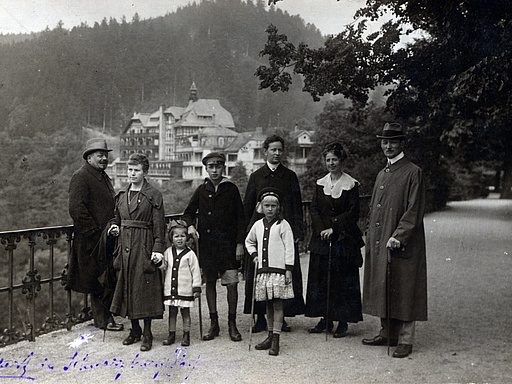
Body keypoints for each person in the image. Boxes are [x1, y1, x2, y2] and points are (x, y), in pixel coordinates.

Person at [362, 123, 427, 358]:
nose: (388, 146)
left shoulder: (412, 171)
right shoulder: (382, 173)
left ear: (401, 144)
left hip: (403, 241)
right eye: (384, 142)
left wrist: (398, 236)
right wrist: (370, 234)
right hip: (380, 239)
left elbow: (414, 209)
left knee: (406, 287)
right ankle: (387, 332)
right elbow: (374, 208)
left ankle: (406, 340)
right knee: (383, 284)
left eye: (392, 142)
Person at [243, 134, 305, 333]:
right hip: (262, 234)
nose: (277, 153)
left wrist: (298, 232)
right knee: (259, 276)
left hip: (283, 233)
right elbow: (248, 208)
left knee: (283, 276)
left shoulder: (289, 176)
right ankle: (260, 318)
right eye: (273, 150)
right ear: (265, 152)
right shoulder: (256, 176)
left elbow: (297, 207)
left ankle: (282, 318)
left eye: (280, 150)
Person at [182, 152, 245, 342]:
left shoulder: (231, 189)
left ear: (223, 168)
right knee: (209, 282)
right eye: (211, 167)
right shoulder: (202, 189)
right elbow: (188, 213)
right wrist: (191, 225)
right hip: (208, 246)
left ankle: (232, 324)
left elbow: (241, 218)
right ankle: (214, 323)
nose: (215, 170)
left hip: (228, 245)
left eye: (218, 166)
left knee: (232, 284)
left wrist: (240, 244)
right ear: (206, 169)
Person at [108, 153, 166, 352]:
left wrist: (158, 249)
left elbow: (160, 226)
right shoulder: (122, 194)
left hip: (144, 245)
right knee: (127, 286)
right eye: (130, 170)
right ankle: (134, 329)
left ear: (145, 172)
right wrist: (114, 228)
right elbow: (116, 218)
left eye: (136, 170)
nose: (132, 174)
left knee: (145, 289)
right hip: (124, 246)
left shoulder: (153, 195)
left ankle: (147, 333)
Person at [305, 142, 364, 338]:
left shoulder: (351, 184)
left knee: (342, 280)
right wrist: (322, 229)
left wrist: (334, 227)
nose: (331, 163)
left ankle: (342, 320)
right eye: (328, 160)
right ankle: (325, 319)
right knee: (321, 279)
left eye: (334, 160)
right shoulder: (320, 183)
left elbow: (353, 212)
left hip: (343, 238)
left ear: (341, 161)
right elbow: (313, 209)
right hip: (322, 238)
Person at [67, 138, 123, 332]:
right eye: (100, 155)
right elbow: (76, 209)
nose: (104, 158)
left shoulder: (102, 176)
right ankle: (102, 320)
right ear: (89, 157)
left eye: (105, 155)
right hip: (90, 240)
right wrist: (94, 234)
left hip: (105, 239)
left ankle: (106, 318)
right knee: (98, 280)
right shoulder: (81, 176)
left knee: (106, 278)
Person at [245, 187, 295, 356]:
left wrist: (288, 269)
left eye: (273, 206)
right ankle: (269, 335)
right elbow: (249, 241)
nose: (270, 209)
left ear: (278, 207)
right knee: (267, 304)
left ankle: (276, 340)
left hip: (278, 271)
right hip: (263, 272)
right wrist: (254, 255)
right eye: (267, 205)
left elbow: (290, 247)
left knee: (277, 303)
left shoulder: (283, 225)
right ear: (261, 207)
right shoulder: (257, 225)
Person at [161, 220, 202, 347]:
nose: (179, 239)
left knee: (185, 312)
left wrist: (196, 288)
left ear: (187, 238)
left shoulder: (190, 254)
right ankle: (171, 334)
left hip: (185, 289)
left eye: (182, 236)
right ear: (171, 238)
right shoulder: (168, 252)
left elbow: (195, 271)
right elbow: (164, 266)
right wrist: (159, 263)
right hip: (171, 289)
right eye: (176, 236)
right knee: (172, 312)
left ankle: (186, 334)